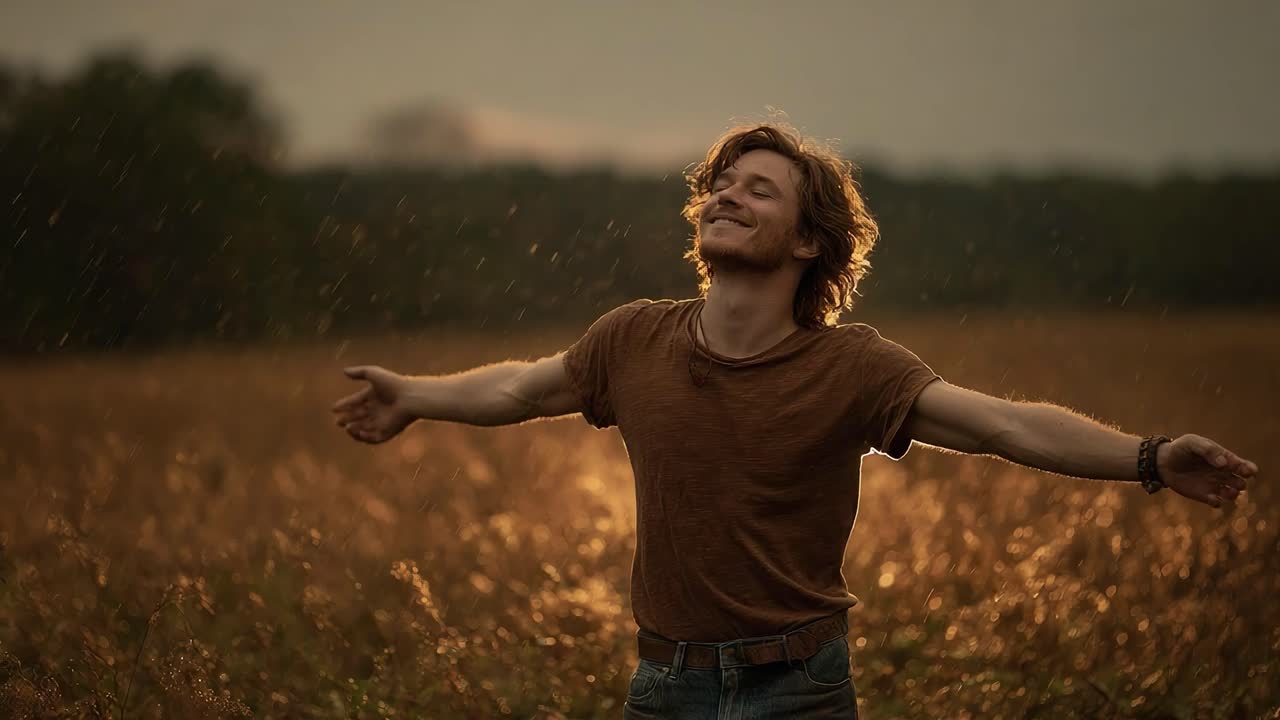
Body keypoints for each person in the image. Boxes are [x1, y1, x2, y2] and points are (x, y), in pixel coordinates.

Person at [329, 122, 1258, 719]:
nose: (726, 195)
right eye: (721, 185)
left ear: (808, 241)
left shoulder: (851, 365)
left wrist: (1147, 457)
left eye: (757, 189)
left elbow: (1002, 427)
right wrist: (412, 394)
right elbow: (519, 391)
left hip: (800, 691)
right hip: (665, 686)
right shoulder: (631, 340)